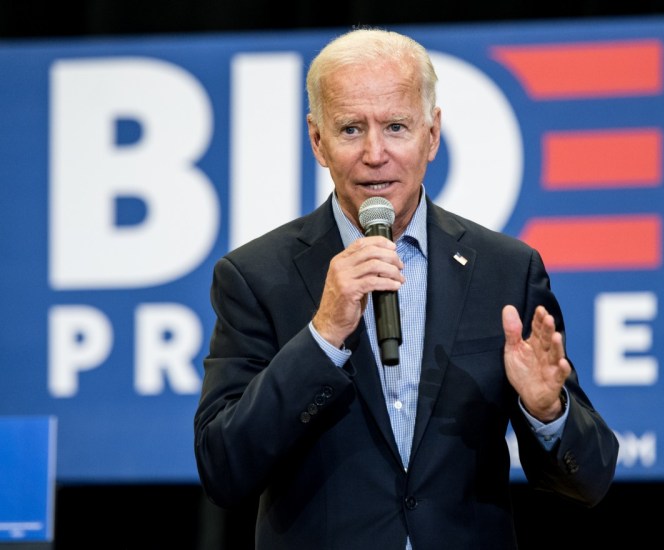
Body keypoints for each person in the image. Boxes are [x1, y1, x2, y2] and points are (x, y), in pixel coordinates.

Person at [193, 27, 619, 550]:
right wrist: (322, 337)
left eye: (396, 126)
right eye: (351, 129)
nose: (375, 153)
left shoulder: (506, 270)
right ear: (317, 139)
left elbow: (590, 478)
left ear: (432, 135)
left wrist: (546, 411)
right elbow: (224, 468)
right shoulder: (256, 276)